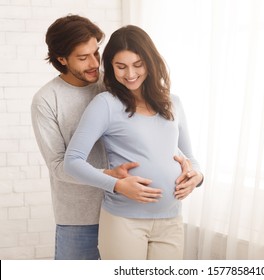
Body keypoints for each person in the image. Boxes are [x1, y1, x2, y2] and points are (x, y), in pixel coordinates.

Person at [31, 15, 194, 260]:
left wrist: (189, 170)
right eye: (83, 58)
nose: (94, 64)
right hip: (82, 214)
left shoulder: (115, 81)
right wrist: (113, 181)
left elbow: (146, 135)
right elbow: (59, 165)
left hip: (140, 209)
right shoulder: (47, 100)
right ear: (61, 60)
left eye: (96, 53)